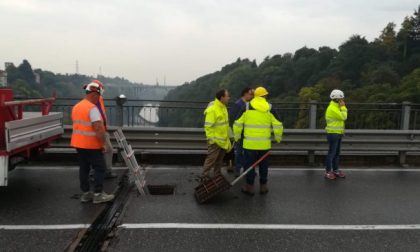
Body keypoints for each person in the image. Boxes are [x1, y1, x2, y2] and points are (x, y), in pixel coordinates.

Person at [233, 87, 283, 195]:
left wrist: (237, 137)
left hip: (249, 144)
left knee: (249, 166)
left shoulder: (246, 107)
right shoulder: (270, 108)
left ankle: (249, 188)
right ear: (265, 96)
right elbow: (278, 125)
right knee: (263, 165)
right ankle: (263, 187)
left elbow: (237, 124)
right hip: (264, 145)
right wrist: (278, 138)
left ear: (255, 96)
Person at [71, 82, 115, 204]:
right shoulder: (92, 108)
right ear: (95, 93)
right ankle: (98, 194)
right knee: (100, 168)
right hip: (91, 144)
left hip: (79, 144)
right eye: (99, 95)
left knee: (84, 169)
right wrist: (104, 144)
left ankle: (86, 194)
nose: (99, 98)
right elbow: (98, 128)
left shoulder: (77, 106)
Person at [86, 80, 117, 179]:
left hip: (96, 129)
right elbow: (98, 116)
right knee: (108, 150)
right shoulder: (97, 99)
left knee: (97, 151)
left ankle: (94, 171)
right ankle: (105, 171)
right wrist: (102, 130)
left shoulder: (91, 99)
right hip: (99, 130)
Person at [201, 89, 232, 181]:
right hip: (215, 141)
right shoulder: (213, 109)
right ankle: (204, 177)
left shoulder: (223, 107)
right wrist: (212, 140)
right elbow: (208, 127)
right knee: (211, 160)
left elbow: (226, 125)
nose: (229, 98)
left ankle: (217, 176)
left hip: (223, 141)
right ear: (222, 97)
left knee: (219, 161)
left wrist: (229, 137)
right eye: (227, 96)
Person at [229, 87, 254, 177]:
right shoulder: (238, 104)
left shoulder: (247, 104)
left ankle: (246, 170)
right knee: (239, 152)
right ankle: (237, 170)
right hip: (240, 133)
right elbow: (233, 119)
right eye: (251, 94)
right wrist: (236, 133)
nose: (252, 96)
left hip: (246, 133)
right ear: (245, 94)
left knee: (245, 152)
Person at [324, 89, 347, 180]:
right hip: (333, 134)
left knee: (337, 153)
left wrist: (342, 131)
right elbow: (344, 117)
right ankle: (328, 172)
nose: (343, 100)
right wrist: (343, 107)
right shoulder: (333, 108)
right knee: (332, 153)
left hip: (338, 133)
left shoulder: (336, 107)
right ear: (337, 99)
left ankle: (335, 170)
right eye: (341, 99)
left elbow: (339, 121)